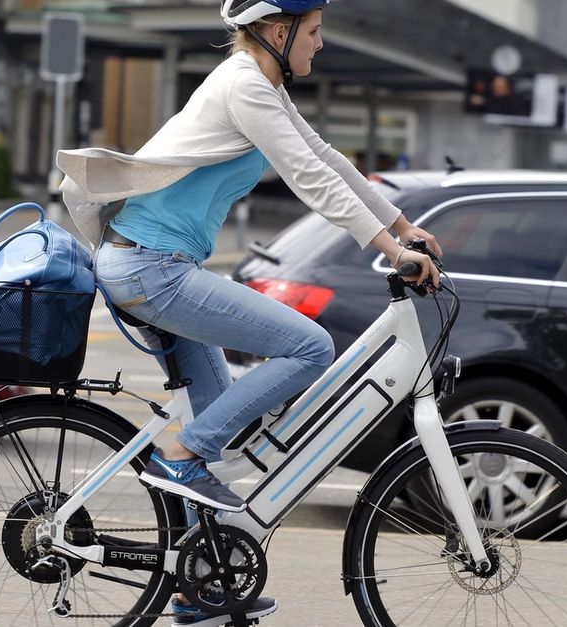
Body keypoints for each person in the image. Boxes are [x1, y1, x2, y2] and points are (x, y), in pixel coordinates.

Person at [57, 0, 441, 624]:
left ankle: (198, 586)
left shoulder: (262, 84)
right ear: (276, 30)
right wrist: (390, 250)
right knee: (309, 348)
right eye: (313, 33)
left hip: (156, 264)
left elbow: (329, 161)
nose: (319, 45)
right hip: (152, 268)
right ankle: (181, 457)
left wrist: (403, 225)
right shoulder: (244, 87)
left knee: (216, 433)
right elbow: (309, 183)